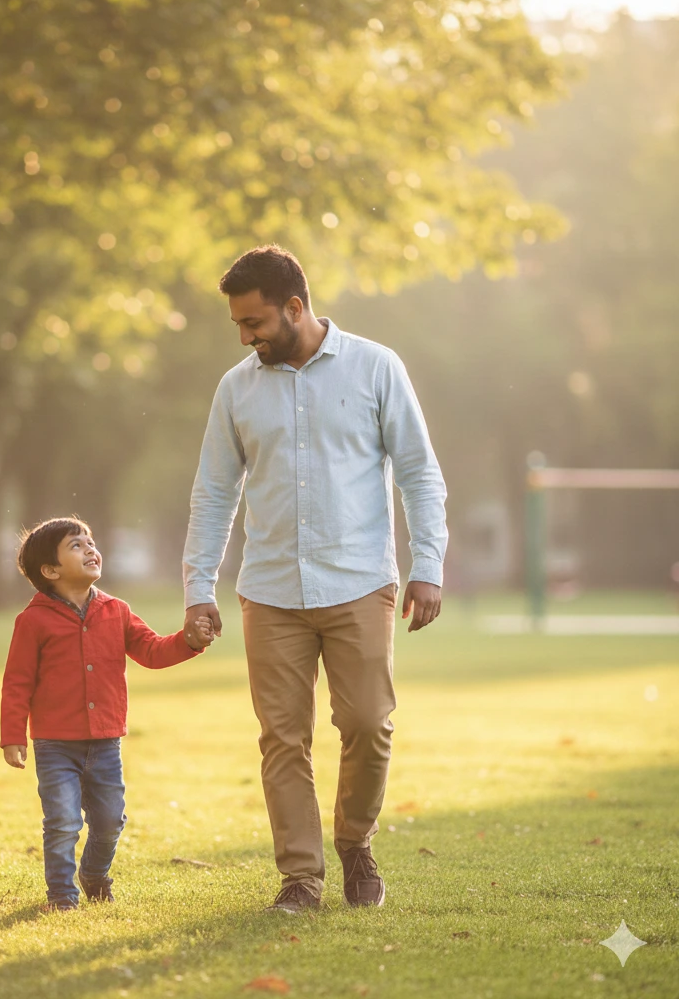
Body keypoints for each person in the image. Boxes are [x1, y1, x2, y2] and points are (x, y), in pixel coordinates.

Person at [183, 245, 448, 913]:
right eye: (239, 327)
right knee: (282, 737)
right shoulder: (236, 388)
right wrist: (197, 587)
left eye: (255, 322)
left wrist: (429, 566)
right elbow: (214, 493)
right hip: (269, 590)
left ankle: (355, 842)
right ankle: (301, 877)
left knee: (368, 723)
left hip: (360, 581)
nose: (246, 337)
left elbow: (418, 471)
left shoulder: (375, 367)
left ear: (295, 307)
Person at [1, 516, 215, 912]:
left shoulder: (117, 611)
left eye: (90, 541)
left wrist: (189, 640)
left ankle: (94, 874)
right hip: (54, 745)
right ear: (50, 570)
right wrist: (13, 735)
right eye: (76, 545)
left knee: (110, 820)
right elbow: (17, 682)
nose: (90, 549)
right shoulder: (33, 621)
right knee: (63, 822)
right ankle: (62, 897)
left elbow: (151, 650)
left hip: (105, 742)